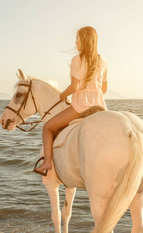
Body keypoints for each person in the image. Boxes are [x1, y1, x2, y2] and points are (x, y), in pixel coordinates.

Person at [34, 26, 108, 176]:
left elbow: (75, 86)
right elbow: (104, 88)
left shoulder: (77, 59)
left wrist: (63, 95)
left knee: (47, 128)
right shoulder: (103, 61)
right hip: (100, 105)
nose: (76, 43)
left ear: (84, 41)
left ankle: (47, 162)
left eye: (77, 40)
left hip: (81, 106)